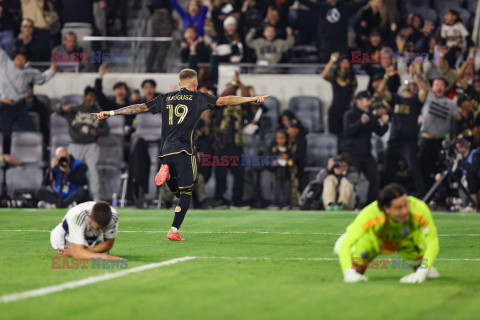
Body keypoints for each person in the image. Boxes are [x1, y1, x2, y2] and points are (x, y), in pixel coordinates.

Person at [93, 68, 270, 241]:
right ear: (195, 83)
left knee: (178, 192)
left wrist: (110, 112)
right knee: (186, 193)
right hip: (185, 150)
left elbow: (138, 107)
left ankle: (168, 174)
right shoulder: (198, 98)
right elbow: (225, 100)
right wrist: (252, 98)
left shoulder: (166, 97)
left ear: (179, 84)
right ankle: (173, 230)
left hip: (165, 152)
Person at [334, 183, 440, 283]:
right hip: (374, 242)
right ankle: (354, 247)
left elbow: (432, 241)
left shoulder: (419, 209)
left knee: (429, 274)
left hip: (406, 242)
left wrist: (423, 270)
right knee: (355, 272)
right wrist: (348, 272)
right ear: (386, 209)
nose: (404, 211)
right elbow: (345, 245)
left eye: (405, 205)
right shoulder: (370, 214)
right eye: (399, 208)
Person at [378, 66, 427, 197]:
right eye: (406, 83)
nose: (408, 85)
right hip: (394, 140)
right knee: (388, 169)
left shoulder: (416, 101)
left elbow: (425, 89)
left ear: (415, 88)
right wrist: (386, 76)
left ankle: (424, 196)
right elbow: (381, 90)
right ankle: (385, 196)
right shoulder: (396, 99)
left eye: (411, 84)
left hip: (408, 141)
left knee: (414, 168)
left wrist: (418, 76)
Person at [0, 47, 56, 153]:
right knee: (5, 135)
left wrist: (52, 70)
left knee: (32, 131)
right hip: (5, 107)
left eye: (23, 59)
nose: (20, 61)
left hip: (20, 107)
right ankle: (6, 160)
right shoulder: (4, 63)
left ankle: (35, 156)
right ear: (13, 59)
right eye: (18, 58)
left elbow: (42, 78)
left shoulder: (30, 72)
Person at [58, 86, 110, 202]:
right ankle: (69, 197)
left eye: (94, 97)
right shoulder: (76, 109)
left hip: (91, 145)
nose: (92, 99)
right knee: (70, 169)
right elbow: (59, 111)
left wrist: (98, 132)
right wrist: (63, 109)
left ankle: (96, 198)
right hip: (75, 144)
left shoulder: (99, 111)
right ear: (85, 97)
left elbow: (106, 130)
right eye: (90, 96)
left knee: (93, 171)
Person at [342, 90, 389, 204]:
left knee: (375, 178)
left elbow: (380, 132)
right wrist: (360, 122)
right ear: (358, 101)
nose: (369, 103)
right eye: (367, 100)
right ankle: (349, 203)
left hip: (366, 153)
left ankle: (370, 205)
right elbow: (347, 132)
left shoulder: (371, 115)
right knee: (352, 178)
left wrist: (385, 123)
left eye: (370, 100)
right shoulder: (350, 114)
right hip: (351, 153)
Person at [419, 78, 459, 190]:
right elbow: (422, 85)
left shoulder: (452, 104)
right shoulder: (428, 97)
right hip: (425, 140)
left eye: (442, 85)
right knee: (423, 168)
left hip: (441, 141)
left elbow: (457, 123)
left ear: (445, 88)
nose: (439, 87)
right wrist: (417, 74)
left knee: (440, 170)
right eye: (436, 85)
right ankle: (424, 196)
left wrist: (453, 140)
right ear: (432, 87)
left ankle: (439, 197)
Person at [50, 201, 125, 260]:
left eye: (104, 227)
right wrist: (104, 257)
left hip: (92, 240)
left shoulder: (112, 216)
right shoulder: (77, 216)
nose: (101, 230)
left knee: (86, 255)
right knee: (81, 256)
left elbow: (108, 244)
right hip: (65, 239)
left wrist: (84, 252)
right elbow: (77, 253)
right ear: (90, 217)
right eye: (99, 227)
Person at [297, 0, 368, 62]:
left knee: (341, 65)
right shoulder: (322, 7)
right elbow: (308, 3)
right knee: (325, 66)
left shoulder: (345, 8)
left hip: (341, 43)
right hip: (326, 43)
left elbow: (360, 4)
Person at [322, 52, 357, 148]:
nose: (345, 64)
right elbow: (324, 75)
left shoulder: (353, 80)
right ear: (339, 64)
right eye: (343, 62)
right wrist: (332, 60)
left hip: (346, 111)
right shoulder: (334, 78)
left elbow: (352, 98)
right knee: (333, 136)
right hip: (334, 110)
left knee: (345, 136)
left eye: (347, 62)